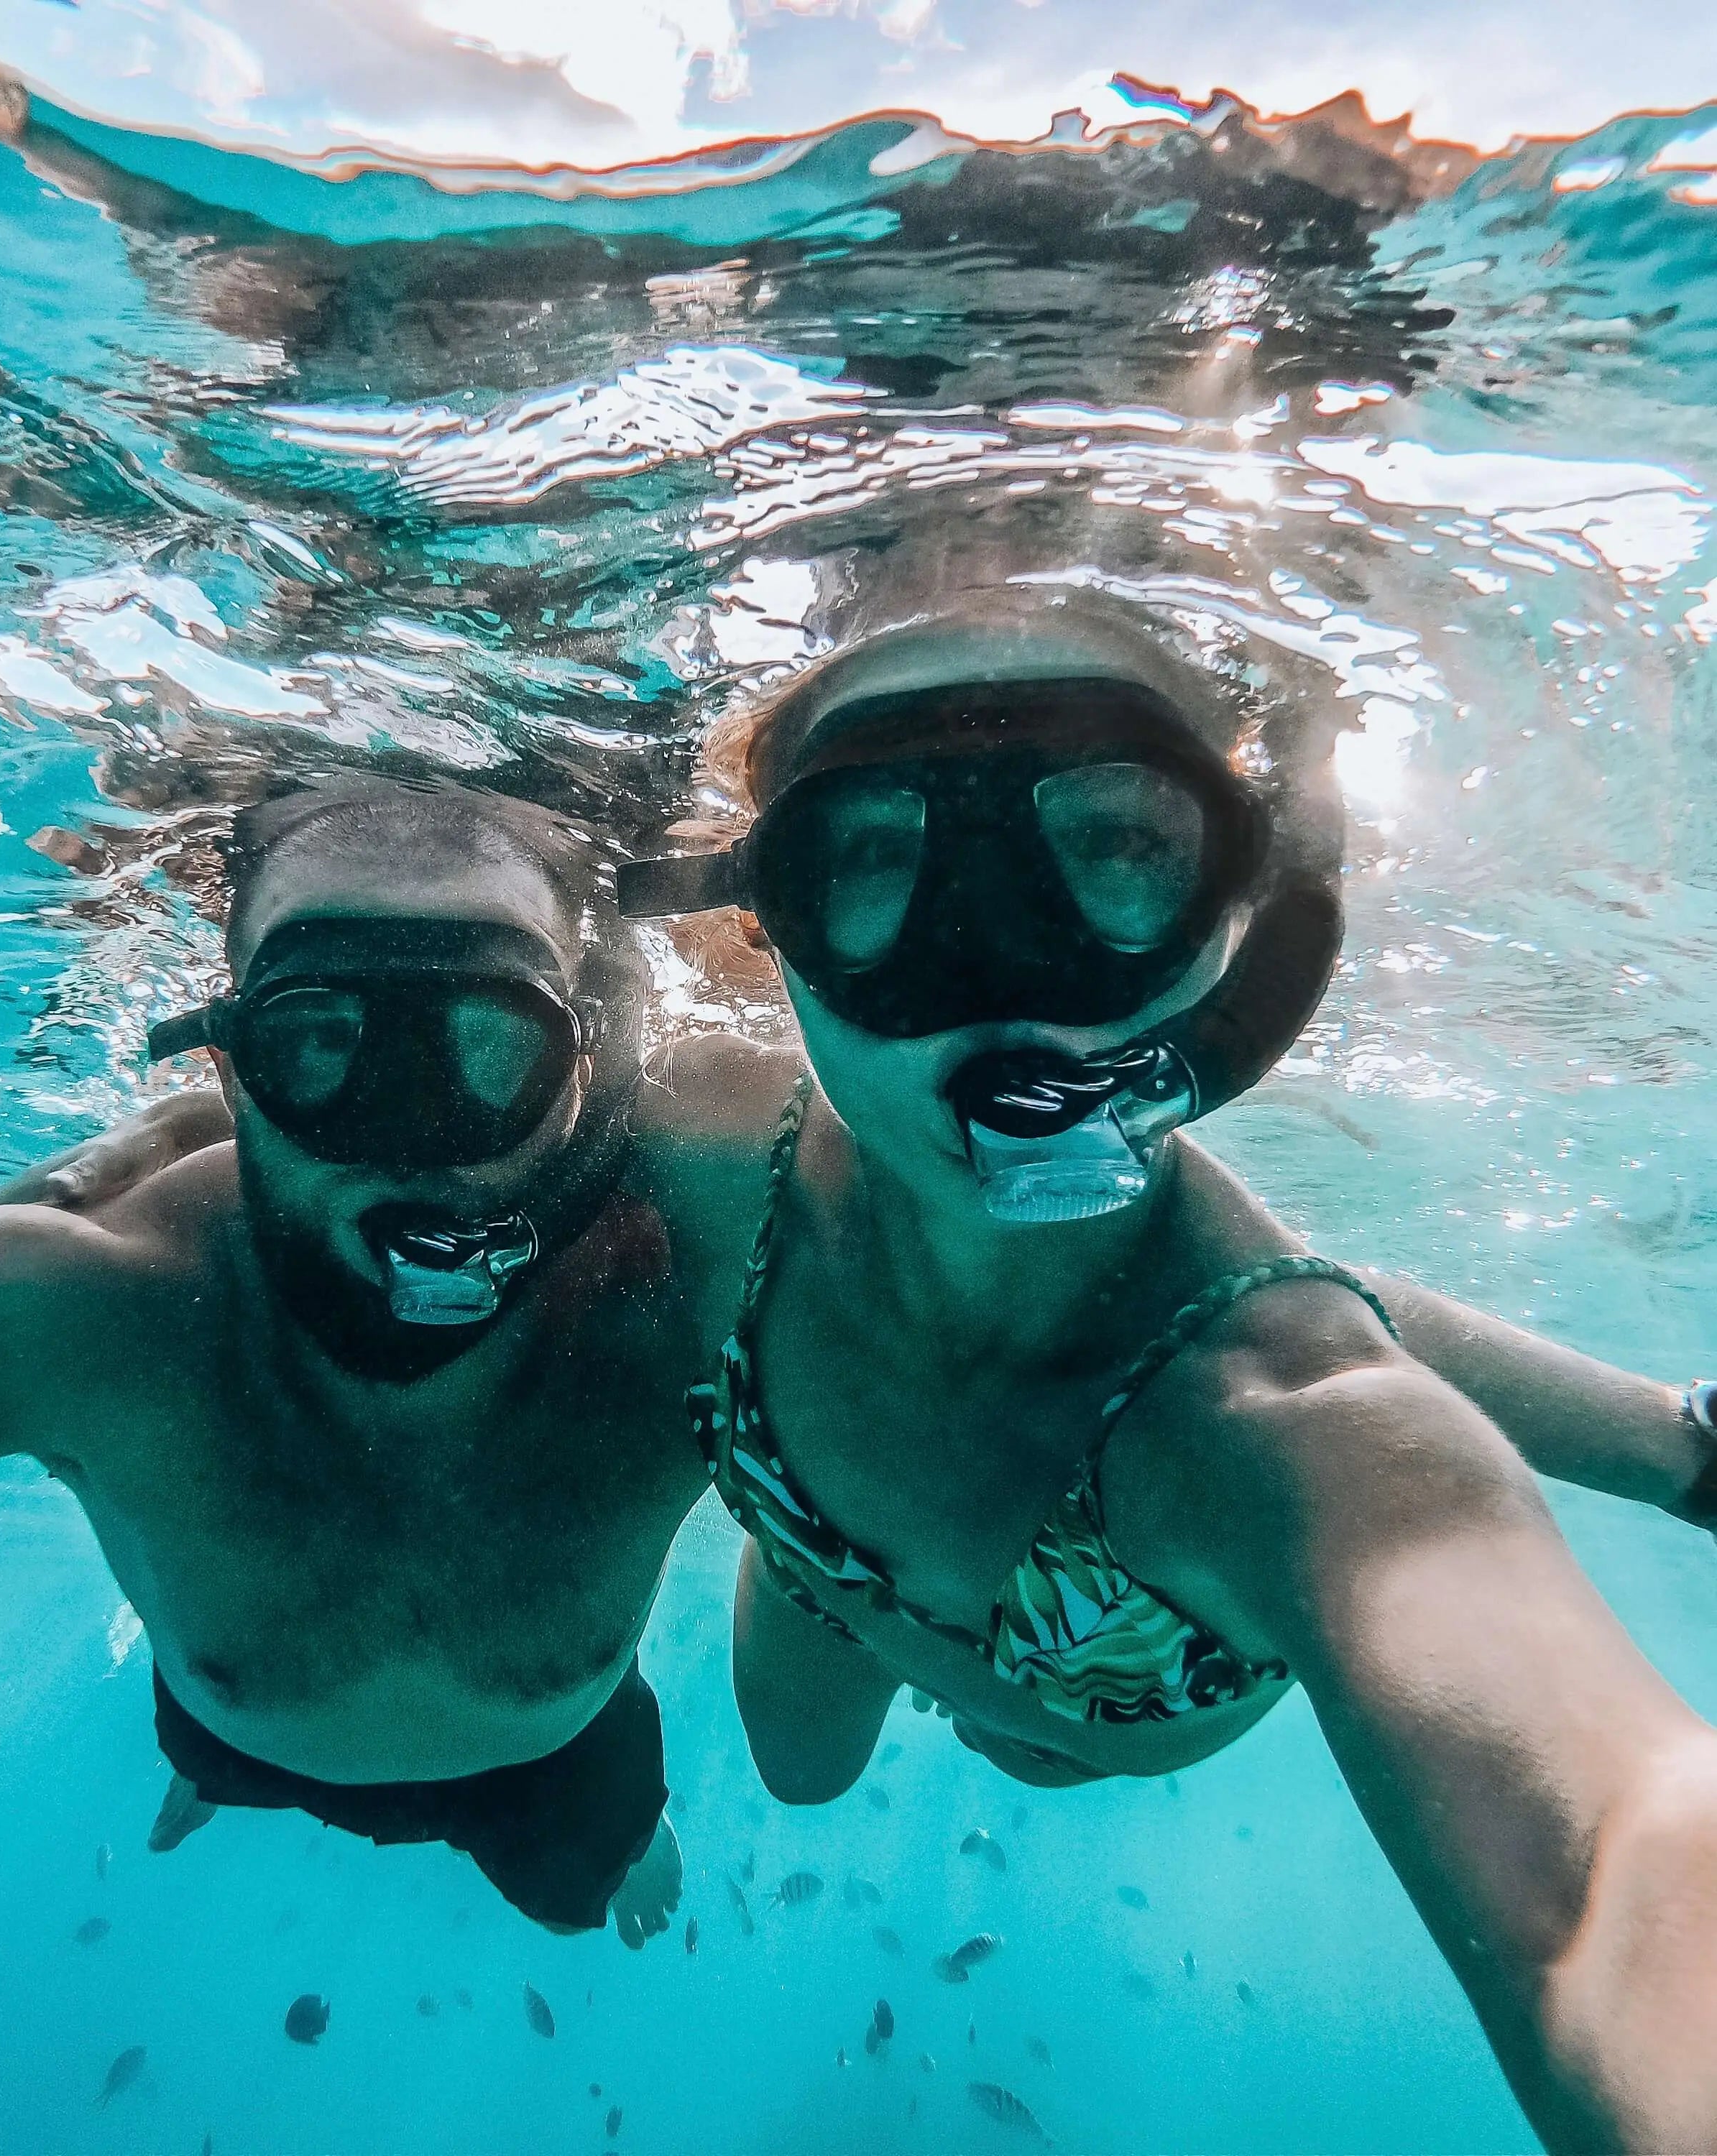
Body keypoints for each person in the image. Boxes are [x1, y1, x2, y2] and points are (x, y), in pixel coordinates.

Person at [616, 573, 1717, 2151]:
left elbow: (1611, 1864)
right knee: (794, 1781)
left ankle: (1691, 1451)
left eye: (1119, 843)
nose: (1001, 966)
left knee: (1267, 1335)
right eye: (871, 854)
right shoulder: (722, 1148)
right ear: (763, 920)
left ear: (1248, 931)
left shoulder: (1283, 1422)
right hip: (820, 1565)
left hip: (1096, 1689)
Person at [0, 775, 731, 1940]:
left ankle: (583, 1829)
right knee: (227, 1743)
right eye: (320, 1043)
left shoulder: (691, 1288)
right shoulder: (96, 1304)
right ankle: (226, 1763)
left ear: (584, 1068)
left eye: (489, 1044)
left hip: (556, 1763)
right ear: (230, 1066)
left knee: (580, 1903)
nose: (406, 1141)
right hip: (237, 1733)